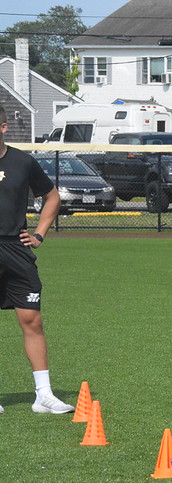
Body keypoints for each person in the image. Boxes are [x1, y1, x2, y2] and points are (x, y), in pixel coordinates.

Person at [0, 105, 74, 415]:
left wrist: (40, 234)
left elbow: (52, 196)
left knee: (32, 320)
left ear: (3, 127)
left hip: (16, 250)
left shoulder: (22, 161)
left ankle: (43, 395)